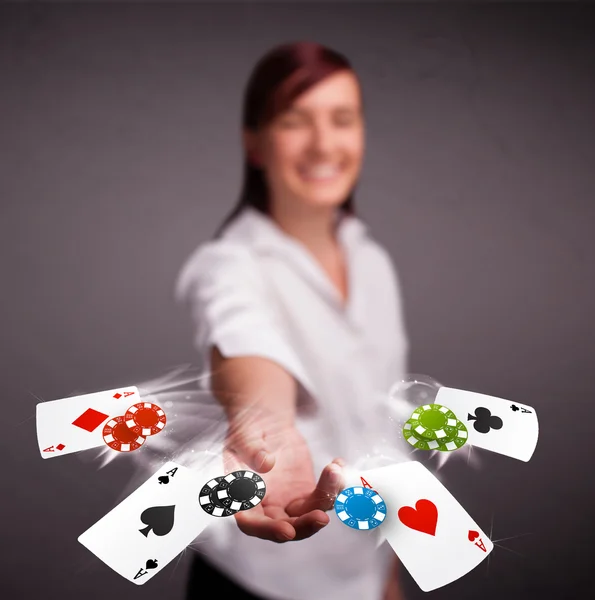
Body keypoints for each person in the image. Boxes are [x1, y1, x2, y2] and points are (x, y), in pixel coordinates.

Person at [175, 41, 409, 600]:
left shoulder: (372, 260)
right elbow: (246, 348)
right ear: (254, 141)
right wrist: (265, 426)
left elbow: (379, 431)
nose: (324, 143)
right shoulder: (228, 265)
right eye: (295, 121)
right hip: (261, 581)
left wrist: (388, 571)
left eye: (342, 120)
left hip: (364, 573)